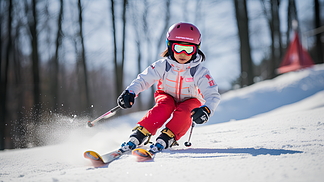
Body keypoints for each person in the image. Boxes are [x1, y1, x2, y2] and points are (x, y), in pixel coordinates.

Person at [117, 22, 221, 153]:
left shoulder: (200, 72)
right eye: (178, 48)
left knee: (187, 111)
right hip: (167, 95)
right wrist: (130, 92)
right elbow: (143, 79)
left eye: (188, 49)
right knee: (164, 106)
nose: (183, 54)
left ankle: (168, 136)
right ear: (170, 46)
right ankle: (140, 133)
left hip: (191, 99)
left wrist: (206, 109)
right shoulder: (162, 66)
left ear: (196, 49)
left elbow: (212, 94)